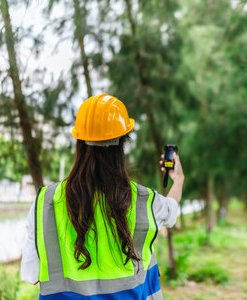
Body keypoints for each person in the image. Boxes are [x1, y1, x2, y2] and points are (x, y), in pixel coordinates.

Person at [20, 94, 184, 299]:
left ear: (79, 143)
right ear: (122, 145)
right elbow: (172, 209)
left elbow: (32, 275)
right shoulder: (145, 201)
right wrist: (178, 179)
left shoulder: (45, 203)